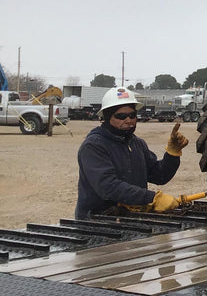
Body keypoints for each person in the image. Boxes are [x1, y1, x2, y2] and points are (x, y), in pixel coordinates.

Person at [75, 86, 189, 219]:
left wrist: (172, 154)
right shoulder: (93, 146)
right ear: (107, 117)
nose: (128, 120)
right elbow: (108, 186)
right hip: (96, 220)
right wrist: (152, 198)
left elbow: (159, 176)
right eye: (121, 116)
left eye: (132, 115)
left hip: (129, 217)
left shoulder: (137, 144)